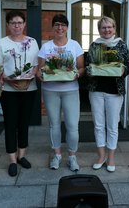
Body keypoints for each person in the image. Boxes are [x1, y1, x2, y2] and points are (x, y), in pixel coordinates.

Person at [0, 10, 39, 177]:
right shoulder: (2, 43)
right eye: (13, 23)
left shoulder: (32, 42)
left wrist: (31, 75)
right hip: (8, 90)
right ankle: (12, 160)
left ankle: (22, 156)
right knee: (10, 124)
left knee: (24, 123)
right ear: (8, 25)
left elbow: (36, 65)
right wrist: (5, 78)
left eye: (19, 22)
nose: (17, 26)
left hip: (29, 88)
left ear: (24, 24)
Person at [37, 14, 84, 171]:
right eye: (57, 25)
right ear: (53, 27)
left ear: (67, 27)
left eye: (63, 25)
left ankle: (72, 156)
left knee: (72, 125)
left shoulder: (74, 45)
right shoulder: (46, 47)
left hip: (70, 90)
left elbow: (81, 67)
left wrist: (76, 74)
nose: (60, 28)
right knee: (54, 124)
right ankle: (57, 155)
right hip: (51, 91)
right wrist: (42, 76)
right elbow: (40, 70)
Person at [85, 16, 129, 172]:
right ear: (99, 30)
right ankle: (101, 155)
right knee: (98, 125)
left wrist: (122, 70)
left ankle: (111, 157)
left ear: (114, 28)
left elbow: (128, 66)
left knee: (112, 126)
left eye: (109, 27)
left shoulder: (121, 45)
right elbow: (87, 66)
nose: (106, 30)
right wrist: (90, 71)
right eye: (103, 27)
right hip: (96, 90)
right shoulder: (94, 45)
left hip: (114, 91)